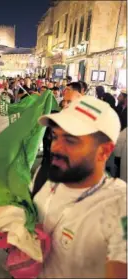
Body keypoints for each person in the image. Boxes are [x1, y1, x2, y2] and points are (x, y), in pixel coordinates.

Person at [35, 96, 126, 278]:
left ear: (104, 151)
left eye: (70, 140)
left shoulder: (119, 205)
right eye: (55, 136)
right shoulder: (45, 177)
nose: (55, 147)